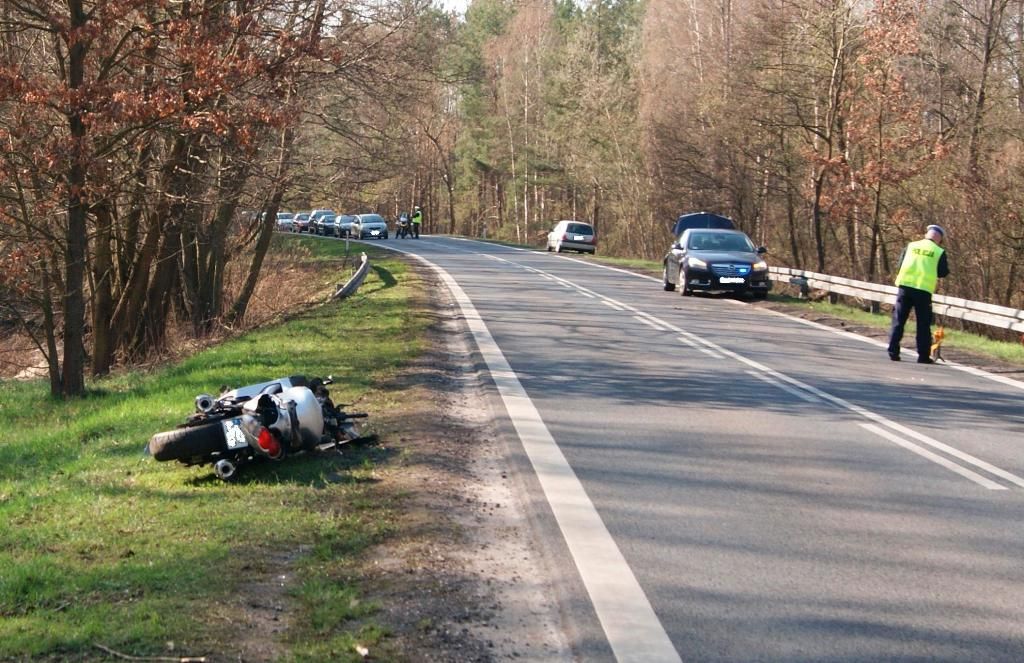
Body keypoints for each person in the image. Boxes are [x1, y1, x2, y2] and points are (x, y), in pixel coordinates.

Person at [887, 224, 949, 364]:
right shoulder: (939, 251)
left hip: (905, 288)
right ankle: (922, 356)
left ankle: (893, 351)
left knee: (898, 320)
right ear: (939, 238)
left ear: (927, 234)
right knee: (923, 324)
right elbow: (943, 272)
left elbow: (899, 264)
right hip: (923, 290)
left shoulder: (911, 246)